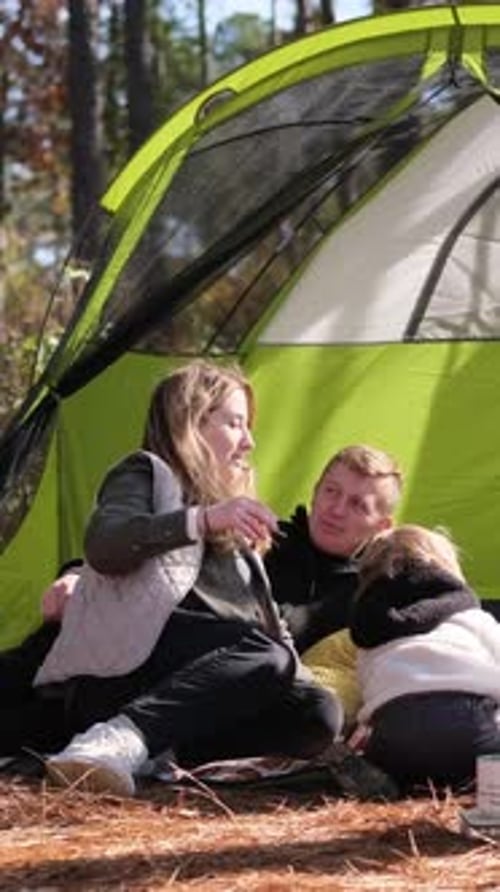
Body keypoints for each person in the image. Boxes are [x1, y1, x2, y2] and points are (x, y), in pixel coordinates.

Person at [34, 361, 342, 796]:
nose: (248, 441)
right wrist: (202, 519)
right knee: (261, 652)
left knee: (317, 711)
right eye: (235, 423)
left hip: (191, 688)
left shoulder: (237, 532)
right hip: (127, 671)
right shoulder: (146, 473)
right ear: (191, 423)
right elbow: (104, 546)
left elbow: (270, 637)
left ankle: (157, 748)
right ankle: (115, 741)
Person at [349, 524, 500, 792]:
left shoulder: (370, 633)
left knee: (384, 751)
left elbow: (368, 688)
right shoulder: (473, 618)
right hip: (472, 731)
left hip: (396, 742)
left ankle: (390, 778)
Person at [265, 444, 403, 654]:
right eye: (331, 491)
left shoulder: (376, 591)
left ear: (382, 528)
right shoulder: (258, 544)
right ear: (315, 492)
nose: (337, 510)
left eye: (358, 505)